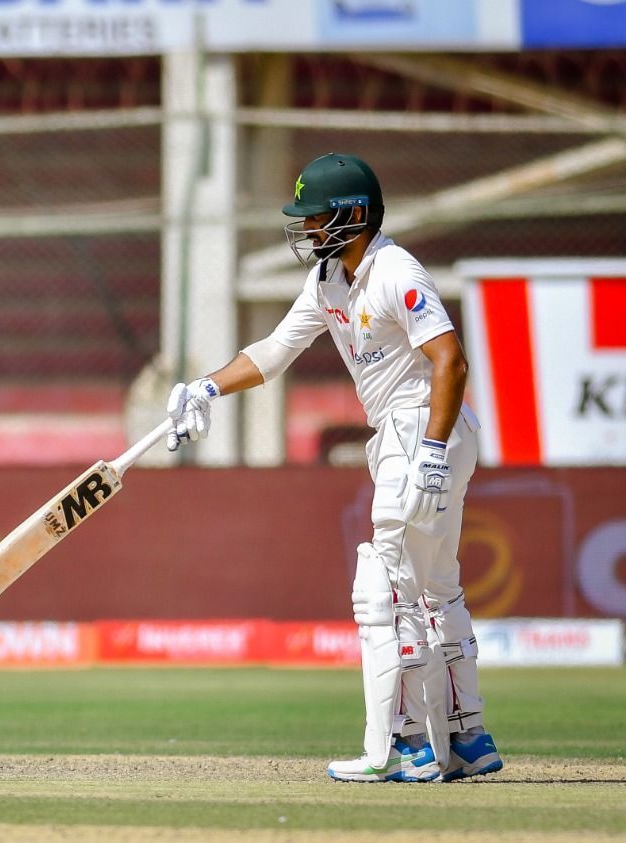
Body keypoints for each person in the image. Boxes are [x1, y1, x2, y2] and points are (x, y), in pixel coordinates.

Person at [165, 153, 503, 783]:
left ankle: (406, 750)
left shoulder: (395, 271)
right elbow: (272, 352)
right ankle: (467, 740)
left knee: (385, 591)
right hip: (413, 439)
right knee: (437, 589)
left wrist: (429, 453)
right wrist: (204, 389)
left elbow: (450, 360)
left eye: (316, 217)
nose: (307, 229)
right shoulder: (329, 280)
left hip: (423, 430)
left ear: (352, 215)